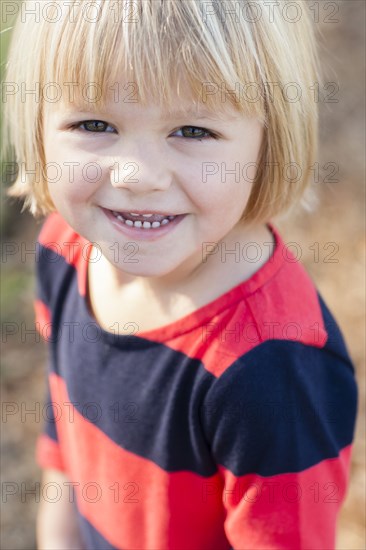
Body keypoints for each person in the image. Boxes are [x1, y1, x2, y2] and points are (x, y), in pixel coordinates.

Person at [2, 1, 358, 548]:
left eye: (192, 129)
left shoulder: (271, 368)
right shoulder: (64, 250)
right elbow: (64, 446)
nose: (138, 175)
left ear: (269, 143)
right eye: (94, 123)